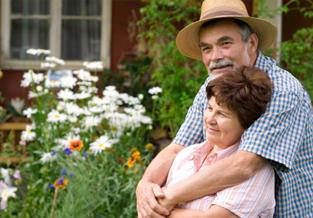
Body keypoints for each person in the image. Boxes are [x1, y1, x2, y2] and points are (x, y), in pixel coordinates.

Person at [136, 0, 313, 217]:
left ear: (252, 43)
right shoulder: (214, 85)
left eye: (225, 44)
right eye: (207, 48)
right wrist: (145, 186)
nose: (215, 57)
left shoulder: (283, 91)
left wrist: (165, 199)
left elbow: (244, 165)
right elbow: (178, 148)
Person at [165, 66, 275, 218]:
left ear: (246, 124)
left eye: (222, 114)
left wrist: (160, 212)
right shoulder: (187, 156)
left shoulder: (257, 171)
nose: (210, 119)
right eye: (209, 108)